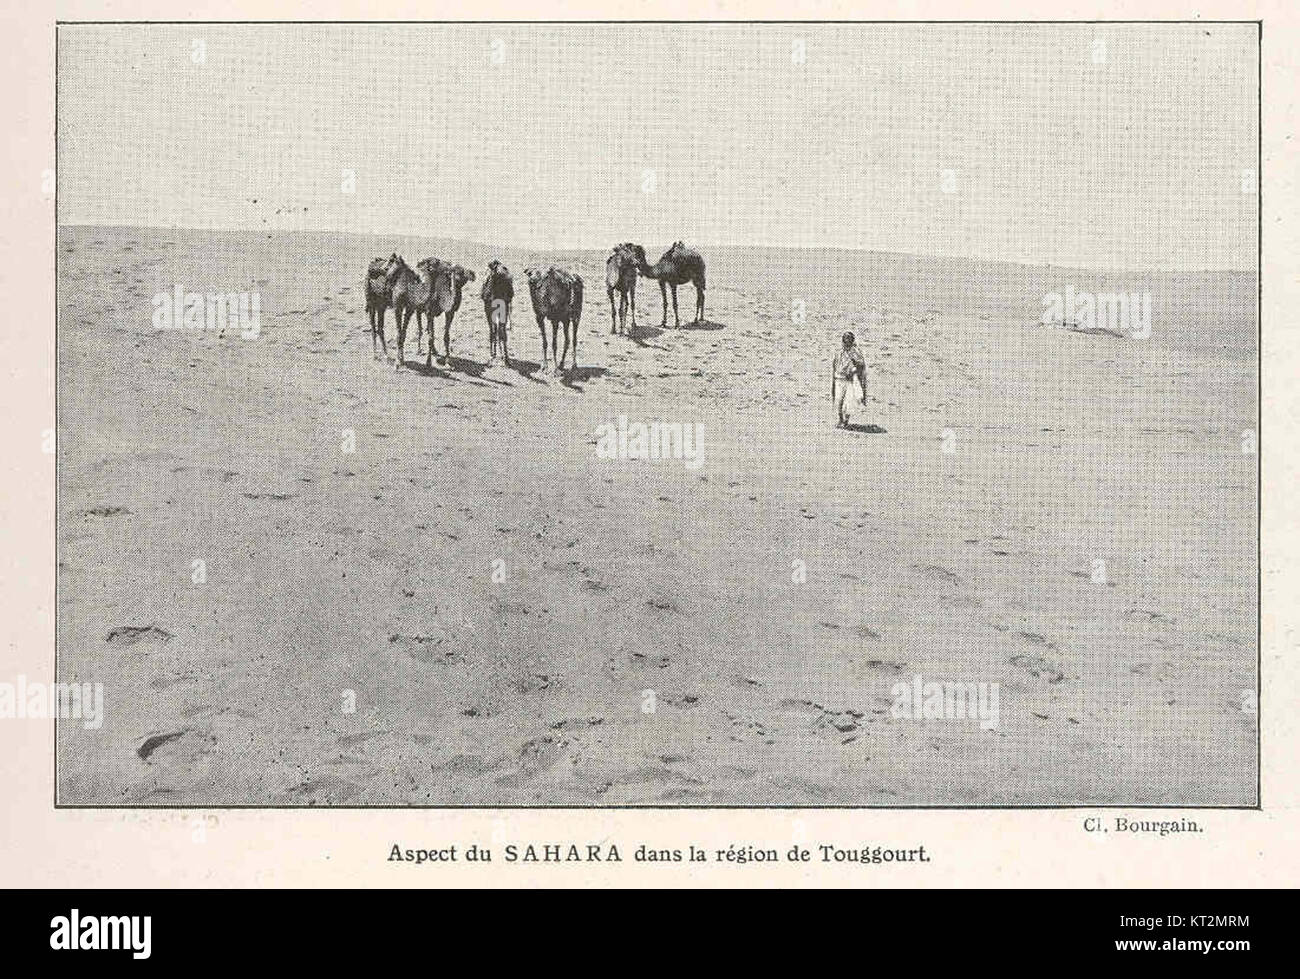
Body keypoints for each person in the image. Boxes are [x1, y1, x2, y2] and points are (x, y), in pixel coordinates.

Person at [831, 330, 868, 428]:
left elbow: (861, 365)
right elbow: (834, 365)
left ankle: (846, 420)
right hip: (839, 378)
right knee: (838, 400)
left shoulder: (856, 352)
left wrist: (853, 371)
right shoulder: (838, 352)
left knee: (848, 402)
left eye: (849, 340)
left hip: (850, 380)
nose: (846, 343)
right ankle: (840, 419)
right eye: (845, 340)